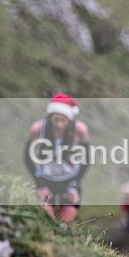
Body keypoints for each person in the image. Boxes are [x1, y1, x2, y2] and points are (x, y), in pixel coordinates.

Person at [24, 93, 90, 222]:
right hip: (45, 179)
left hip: (70, 179)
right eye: (56, 120)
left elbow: (87, 160)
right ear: (50, 117)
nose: (59, 125)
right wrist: (39, 185)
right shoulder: (37, 129)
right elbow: (27, 157)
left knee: (66, 221)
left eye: (63, 121)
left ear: (69, 120)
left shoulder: (80, 130)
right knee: (46, 220)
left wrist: (74, 185)